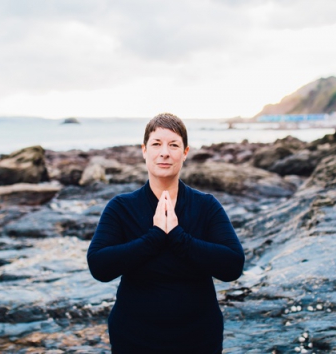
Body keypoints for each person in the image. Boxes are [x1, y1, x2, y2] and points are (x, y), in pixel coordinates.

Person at [86, 113, 245, 353]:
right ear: (144, 150)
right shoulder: (121, 207)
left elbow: (233, 265)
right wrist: (155, 236)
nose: (164, 152)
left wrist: (179, 237)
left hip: (198, 338)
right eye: (156, 144)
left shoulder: (206, 206)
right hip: (134, 338)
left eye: (173, 145)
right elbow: (99, 266)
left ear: (185, 153)